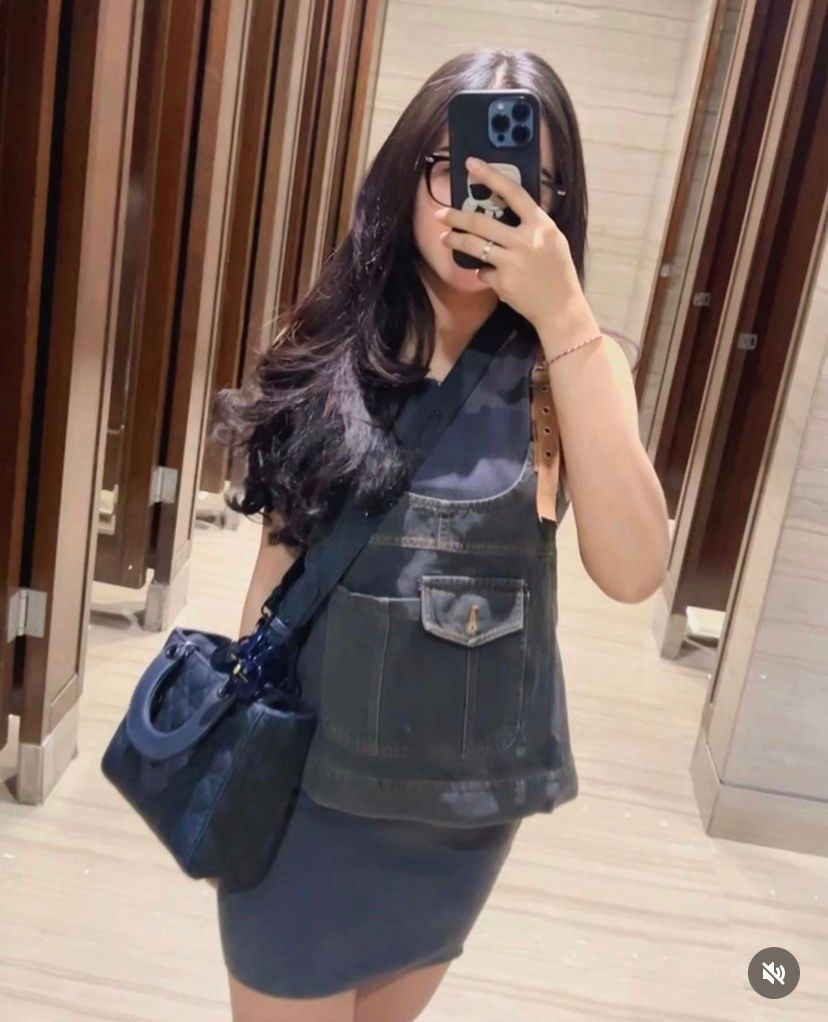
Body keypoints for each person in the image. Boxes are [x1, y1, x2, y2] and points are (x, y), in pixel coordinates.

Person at [209, 46, 669, 1022]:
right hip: (306, 791)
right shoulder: (324, 350)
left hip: (458, 812)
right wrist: (241, 754)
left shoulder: (573, 371)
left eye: (523, 181)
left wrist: (567, 317)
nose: (481, 200)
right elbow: (275, 579)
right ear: (407, 176)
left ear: (557, 207)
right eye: (455, 171)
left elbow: (632, 571)